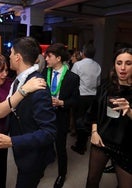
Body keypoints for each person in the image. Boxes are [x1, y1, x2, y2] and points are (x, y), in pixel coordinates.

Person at [0, 37, 56, 188]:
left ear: (17, 57)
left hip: (33, 157)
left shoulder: (38, 86)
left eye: (11, 53)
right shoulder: (20, 80)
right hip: (24, 152)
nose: (9, 56)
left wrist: (12, 141)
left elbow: (49, 132)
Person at [0, 52, 45, 188]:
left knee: (1, 176)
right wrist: (24, 90)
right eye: (0, 71)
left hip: (3, 138)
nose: (4, 74)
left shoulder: (9, 83)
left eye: (6, 70)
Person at [86, 47, 132, 188]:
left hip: (127, 146)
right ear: (114, 65)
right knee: (92, 181)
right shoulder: (106, 86)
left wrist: (129, 111)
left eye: (128, 63)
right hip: (102, 140)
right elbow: (93, 112)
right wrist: (94, 132)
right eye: (119, 63)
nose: (123, 68)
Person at [42, 43, 80, 188]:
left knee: (60, 147)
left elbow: (76, 100)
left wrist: (61, 102)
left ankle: (61, 175)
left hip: (60, 116)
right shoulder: (44, 72)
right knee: (43, 143)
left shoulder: (72, 78)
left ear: (58, 58)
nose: (46, 59)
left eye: (49, 56)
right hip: (44, 115)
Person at [71, 42, 101, 155]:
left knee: (79, 120)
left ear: (83, 53)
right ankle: (84, 141)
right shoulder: (98, 66)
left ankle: (80, 145)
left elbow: (73, 82)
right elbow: (98, 83)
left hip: (81, 96)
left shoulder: (78, 65)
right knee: (88, 120)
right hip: (93, 96)